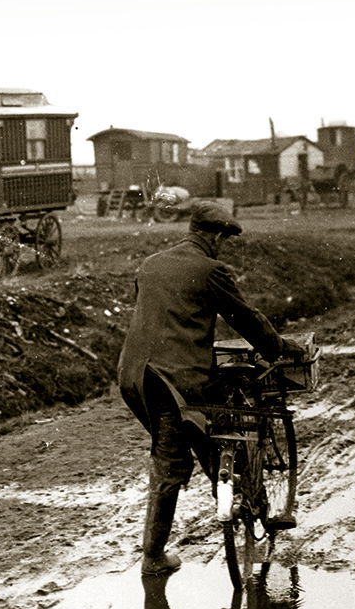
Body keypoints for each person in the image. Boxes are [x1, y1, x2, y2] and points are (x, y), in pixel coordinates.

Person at [118, 200, 298, 576]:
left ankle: (228, 486)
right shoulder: (211, 269)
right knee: (179, 454)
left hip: (134, 375)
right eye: (224, 239)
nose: (224, 246)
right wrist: (279, 348)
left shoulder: (151, 264)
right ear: (214, 236)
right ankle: (153, 557)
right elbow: (244, 318)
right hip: (175, 379)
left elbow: (165, 317)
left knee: (180, 441)